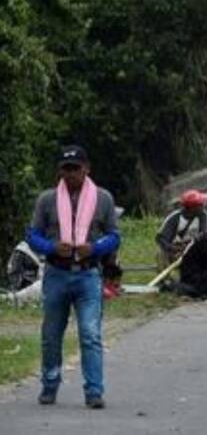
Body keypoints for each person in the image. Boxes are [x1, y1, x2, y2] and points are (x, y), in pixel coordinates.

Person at [26, 146, 120, 409]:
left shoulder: (103, 199)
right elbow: (32, 235)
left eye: (75, 169)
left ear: (86, 169)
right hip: (57, 272)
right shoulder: (47, 199)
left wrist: (96, 248)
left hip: (88, 274)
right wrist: (51, 247)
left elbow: (114, 236)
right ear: (60, 171)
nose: (70, 174)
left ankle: (93, 391)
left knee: (90, 334)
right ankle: (50, 384)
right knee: (51, 334)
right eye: (65, 169)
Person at [155, 190, 207, 271]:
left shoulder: (203, 216)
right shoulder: (174, 218)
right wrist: (173, 248)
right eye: (200, 204)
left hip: (195, 250)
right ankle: (165, 280)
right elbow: (162, 239)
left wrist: (190, 246)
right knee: (160, 252)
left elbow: (203, 235)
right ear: (192, 208)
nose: (203, 206)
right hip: (176, 252)